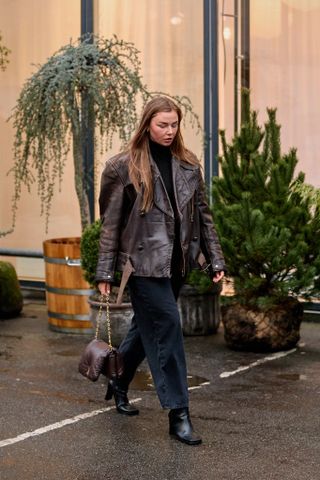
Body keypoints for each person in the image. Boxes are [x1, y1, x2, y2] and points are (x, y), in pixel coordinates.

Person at [95, 95, 225, 446]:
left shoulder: (188, 164)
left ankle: (119, 380)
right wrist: (105, 273)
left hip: (177, 264)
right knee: (167, 326)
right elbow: (110, 225)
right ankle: (178, 413)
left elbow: (203, 216)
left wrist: (215, 260)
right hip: (143, 266)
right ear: (147, 125)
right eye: (162, 125)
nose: (169, 131)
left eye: (174, 125)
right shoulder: (122, 167)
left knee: (146, 327)